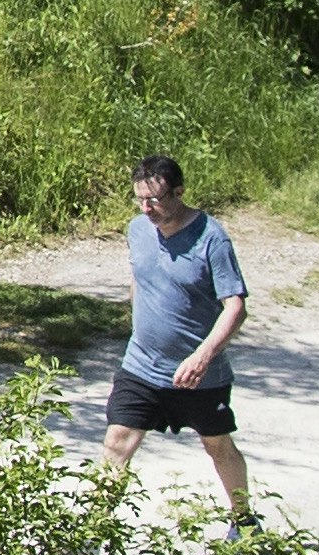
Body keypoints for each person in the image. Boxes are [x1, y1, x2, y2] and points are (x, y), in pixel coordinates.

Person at [106, 152, 254, 523]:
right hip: (141, 365)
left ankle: (243, 520)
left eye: (155, 200)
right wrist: (140, 325)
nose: (147, 209)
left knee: (218, 447)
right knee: (117, 441)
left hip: (198, 376)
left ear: (179, 192)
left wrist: (202, 357)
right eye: (140, 199)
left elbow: (235, 307)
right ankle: (92, 531)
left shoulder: (211, 238)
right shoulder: (138, 229)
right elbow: (141, 277)